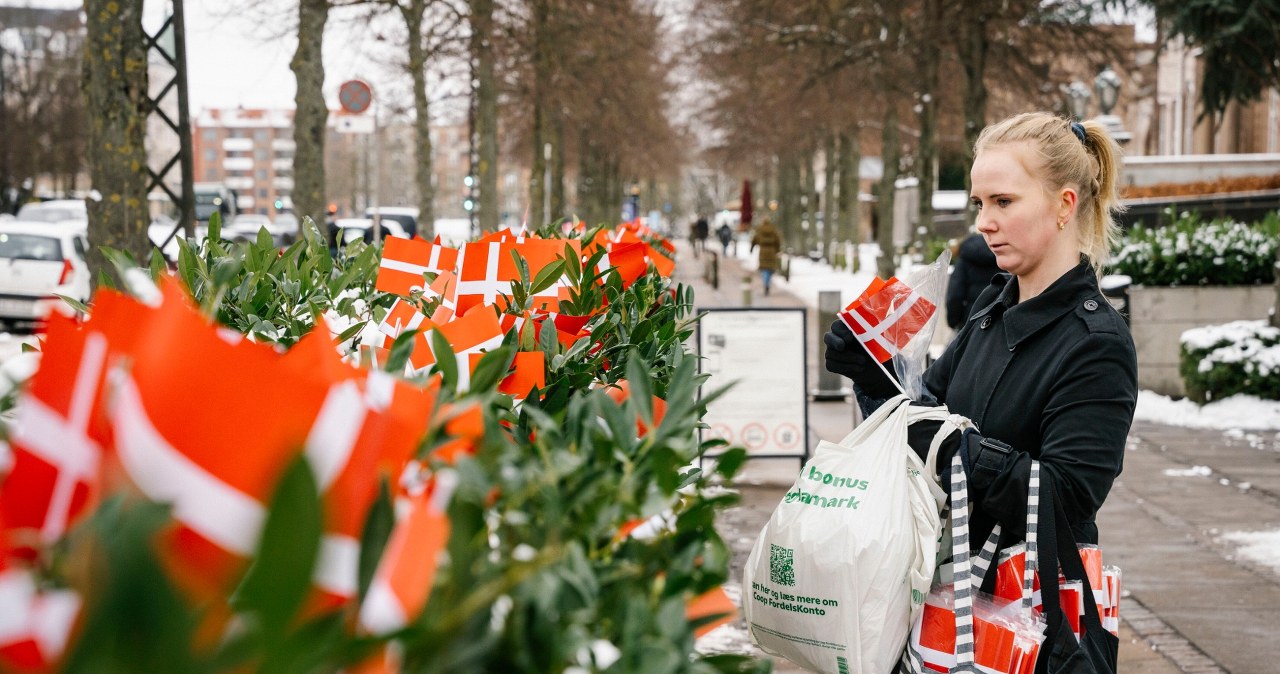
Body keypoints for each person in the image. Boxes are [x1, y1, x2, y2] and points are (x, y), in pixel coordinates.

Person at [824, 112, 1137, 668]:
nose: (984, 222)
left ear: (1065, 205)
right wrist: (874, 373)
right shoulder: (992, 307)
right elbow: (923, 418)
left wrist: (947, 443)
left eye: (1004, 202)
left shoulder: (1097, 343)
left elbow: (1063, 500)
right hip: (945, 609)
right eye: (979, 204)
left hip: (1032, 627)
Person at [946, 230, 1002, 329]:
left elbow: (955, 294)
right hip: (1001, 318)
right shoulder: (1002, 254)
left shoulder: (965, 257)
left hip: (971, 321)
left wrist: (953, 321)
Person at [750, 217, 782, 295]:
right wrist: (777, 250)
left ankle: (765, 282)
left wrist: (752, 248)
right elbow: (777, 240)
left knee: (764, 268)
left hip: (763, 251)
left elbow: (755, 239)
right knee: (770, 268)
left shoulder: (760, 229)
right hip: (771, 251)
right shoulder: (773, 230)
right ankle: (768, 282)